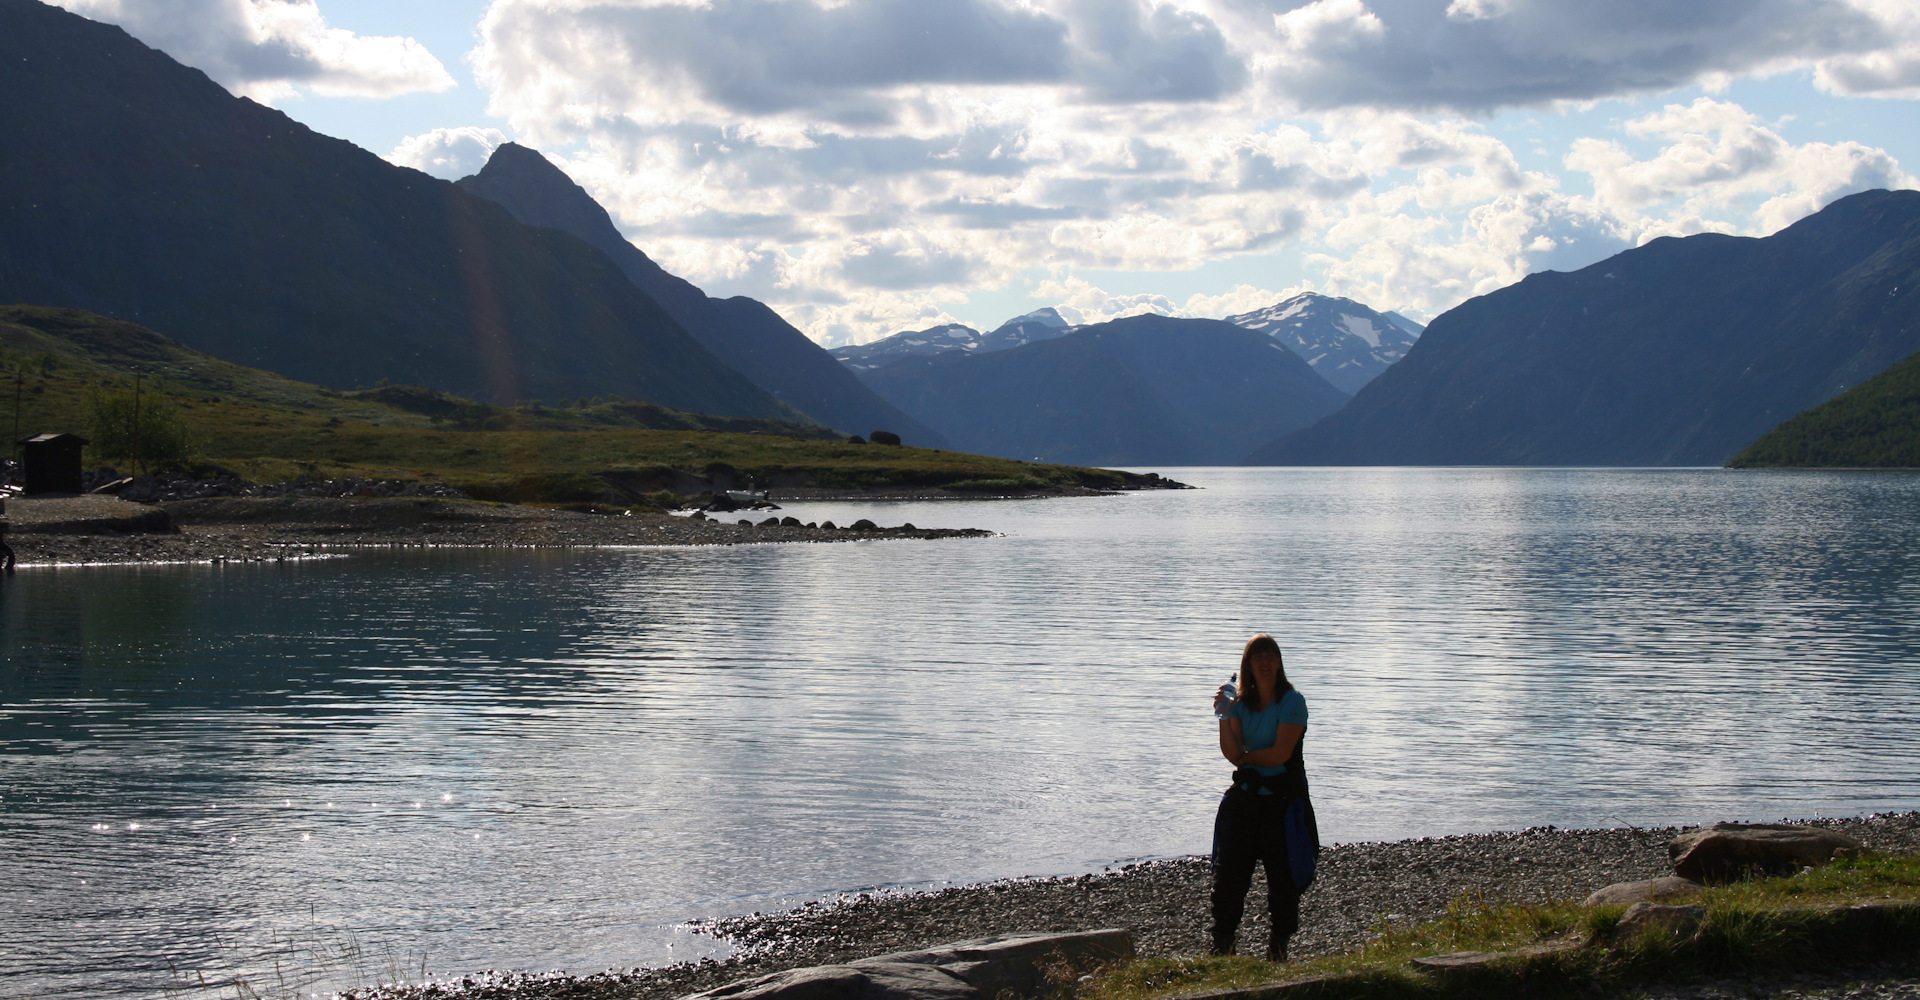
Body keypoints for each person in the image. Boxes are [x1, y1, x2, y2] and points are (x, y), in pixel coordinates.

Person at [1209, 633, 1308, 961]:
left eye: (1270, 657)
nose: (1264, 663)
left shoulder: (1293, 701)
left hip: (1282, 803)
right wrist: (1224, 717)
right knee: (1229, 876)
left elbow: (1279, 754)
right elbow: (1232, 753)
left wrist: (1246, 758)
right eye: (1257, 657)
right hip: (1247, 800)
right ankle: (1223, 944)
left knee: (1282, 880)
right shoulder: (1239, 703)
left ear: (1279, 662)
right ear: (1248, 664)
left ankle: (1278, 947)